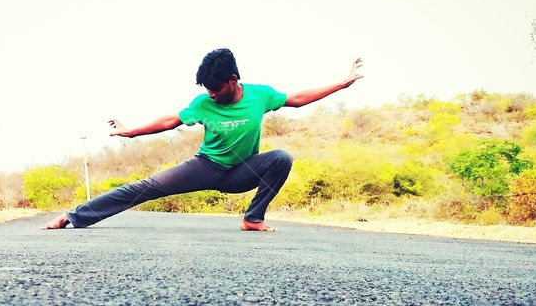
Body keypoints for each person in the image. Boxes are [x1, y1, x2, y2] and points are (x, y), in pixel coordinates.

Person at [43, 48, 364, 231]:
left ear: (233, 80)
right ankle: (74, 217)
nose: (211, 94)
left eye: (217, 88)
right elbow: (170, 121)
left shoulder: (260, 96)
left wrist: (342, 84)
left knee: (281, 157)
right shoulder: (204, 104)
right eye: (207, 89)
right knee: (143, 188)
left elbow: (298, 98)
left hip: (243, 171)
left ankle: (253, 218)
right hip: (206, 166)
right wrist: (130, 131)